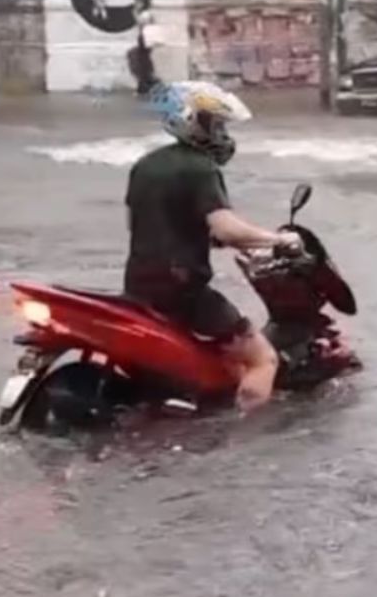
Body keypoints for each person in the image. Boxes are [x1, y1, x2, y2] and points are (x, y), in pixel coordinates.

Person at [124, 82, 302, 412]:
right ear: (191, 120)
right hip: (182, 290)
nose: (221, 133)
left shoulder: (145, 165)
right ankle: (249, 440)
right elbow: (227, 228)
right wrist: (278, 239)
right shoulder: (200, 167)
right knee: (262, 359)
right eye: (214, 123)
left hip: (138, 285)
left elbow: (151, 221)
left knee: (218, 356)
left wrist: (208, 239)